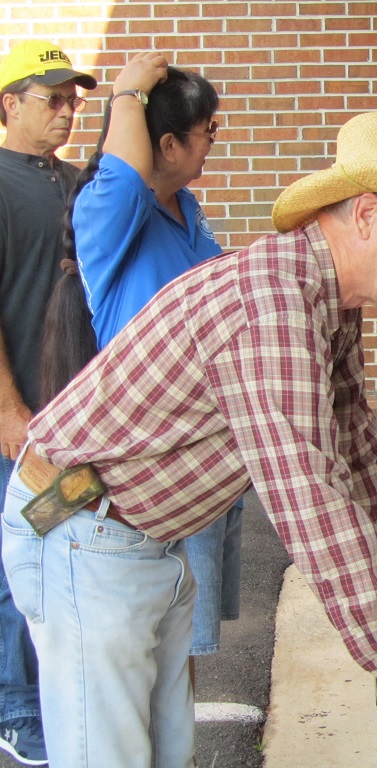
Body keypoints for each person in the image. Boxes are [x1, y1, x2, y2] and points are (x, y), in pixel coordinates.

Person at [2, 110, 377, 768]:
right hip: (81, 529)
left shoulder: (326, 297)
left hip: (133, 534)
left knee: (167, 751)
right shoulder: (275, 305)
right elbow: (309, 498)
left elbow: (357, 456)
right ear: (367, 215)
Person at [37, 51, 244, 666]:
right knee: (153, 647)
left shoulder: (188, 209)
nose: (214, 141)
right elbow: (125, 173)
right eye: (207, 131)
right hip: (150, 454)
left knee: (183, 643)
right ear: (170, 142)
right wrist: (126, 91)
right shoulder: (113, 210)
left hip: (201, 446)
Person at [0, 39, 95, 766]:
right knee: (19, 570)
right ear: (8, 105)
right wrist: (7, 408)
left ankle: (57, 697)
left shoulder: (74, 184)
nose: (66, 111)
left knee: (65, 556)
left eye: (73, 99)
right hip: (20, 420)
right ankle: (17, 709)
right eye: (51, 98)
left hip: (75, 419)